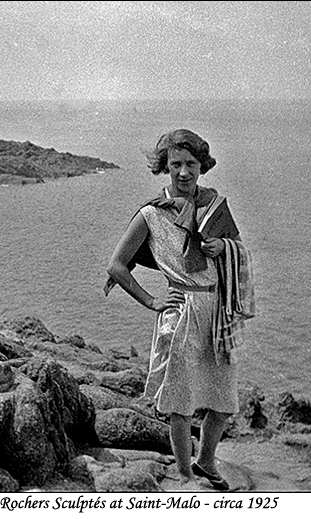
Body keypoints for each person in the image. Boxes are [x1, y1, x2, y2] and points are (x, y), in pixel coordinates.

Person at [104, 128, 255, 490]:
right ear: (164, 167)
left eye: (191, 164)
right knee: (180, 402)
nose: (183, 172)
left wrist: (223, 246)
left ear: (202, 165)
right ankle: (187, 477)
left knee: (224, 398)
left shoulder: (215, 206)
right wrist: (152, 301)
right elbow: (117, 266)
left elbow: (236, 248)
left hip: (219, 309)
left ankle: (205, 461)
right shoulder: (152, 215)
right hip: (182, 310)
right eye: (175, 165)